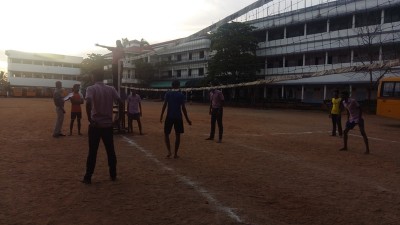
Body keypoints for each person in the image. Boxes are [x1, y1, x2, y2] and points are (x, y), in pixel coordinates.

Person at [82, 69, 122, 184]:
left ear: (94, 76)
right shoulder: (111, 89)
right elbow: (120, 101)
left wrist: (90, 119)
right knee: (110, 150)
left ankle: (88, 176)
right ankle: (113, 174)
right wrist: (118, 118)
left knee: (92, 152)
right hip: (108, 125)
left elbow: (88, 102)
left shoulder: (91, 88)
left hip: (95, 125)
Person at [160, 80, 192, 159]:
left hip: (169, 116)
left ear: (172, 85)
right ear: (179, 86)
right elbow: (183, 108)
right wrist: (187, 120)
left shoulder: (168, 93)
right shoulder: (181, 95)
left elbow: (164, 105)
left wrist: (161, 115)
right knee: (178, 135)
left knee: (166, 134)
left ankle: (169, 151)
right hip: (178, 117)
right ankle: (175, 154)